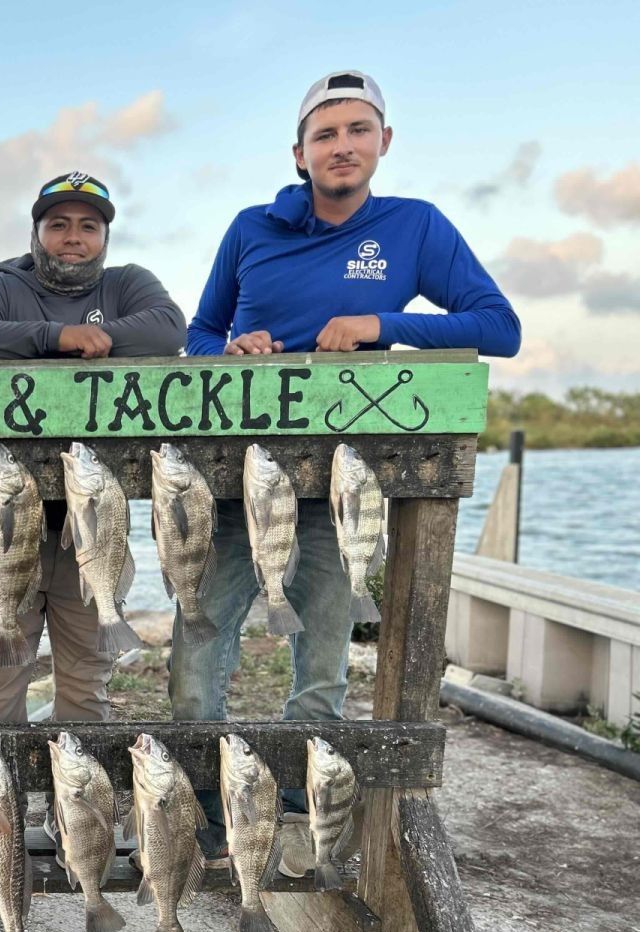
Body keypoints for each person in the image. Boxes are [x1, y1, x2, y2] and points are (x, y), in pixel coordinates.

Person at [179, 70, 521, 872]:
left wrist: (384, 322)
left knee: (323, 663)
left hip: (347, 488)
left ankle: (307, 814)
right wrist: (231, 348)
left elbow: (498, 325)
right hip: (239, 482)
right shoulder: (250, 227)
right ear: (299, 153)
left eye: (357, 130)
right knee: (199, 650)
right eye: (325, 134)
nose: (342, 146)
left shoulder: (415, 227)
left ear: (383, 143)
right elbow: (197, 333)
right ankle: (196, 813)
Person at [0, 171, 185, 727]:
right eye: (58, 224)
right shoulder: (6, 287)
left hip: (96, 527)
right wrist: (57, 338)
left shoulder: (127, 283)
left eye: (88, 226)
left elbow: (168, 330)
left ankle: (74, 813)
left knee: (86, 687)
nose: (73, 236)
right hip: (8, 525)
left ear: (104, 238)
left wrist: (93, 339)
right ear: (36, 233)